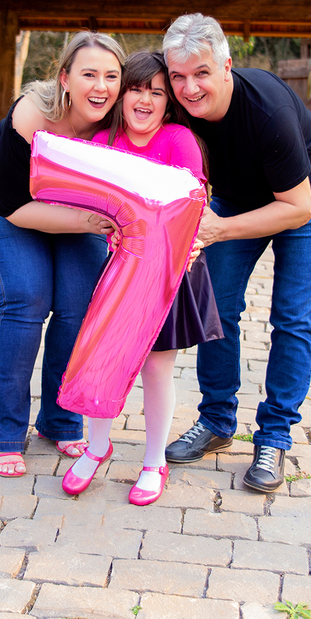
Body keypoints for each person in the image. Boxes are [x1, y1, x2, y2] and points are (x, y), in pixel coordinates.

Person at [161, 14, 311, 493]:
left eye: (201, 73)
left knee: (294, 316)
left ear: (226, 67)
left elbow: (297, 207)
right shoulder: (175, 105)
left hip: (307, 194)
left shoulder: (266, 109)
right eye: (177, 76)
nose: (189, 88)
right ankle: (217, 421)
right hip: (238, 195)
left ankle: (275, 436)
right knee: (216, 303)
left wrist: (220, 229)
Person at [59, 51, 223, 505]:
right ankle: (96, 447)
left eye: (157, 92)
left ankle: (154, 461)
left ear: (168, 102)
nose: (145, 99)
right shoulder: (105, 142)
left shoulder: (179, 140)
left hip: (170, 270)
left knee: (155, 366)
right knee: (103, 356)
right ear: (122, 94)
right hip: (117, 269)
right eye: (136, 88)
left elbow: (189, 206)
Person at [0, 32, 125, 477]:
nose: (101, 86)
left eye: (111, 76)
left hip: (77, 209)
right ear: (64, 79)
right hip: (3, 201)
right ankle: (2, 433)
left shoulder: (119, 123)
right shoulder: (35, 112)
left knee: (79, 302)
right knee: (27, 297)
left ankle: (60, 421)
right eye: (89, 73)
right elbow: (14, 206)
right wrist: (90, 223)